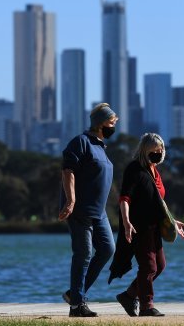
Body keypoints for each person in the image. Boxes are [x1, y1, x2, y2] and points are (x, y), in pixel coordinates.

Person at [109, 133, 184, 317]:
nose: (158, 153)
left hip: (154, 226)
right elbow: (124, 198)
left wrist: (171, 221)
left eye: (160, 150)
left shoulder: (154, 171)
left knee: (159, 266)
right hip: (139, 226)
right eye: (154, 151)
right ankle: (146, 306)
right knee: (148, 266)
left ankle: (128, 296)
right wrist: (126, 222)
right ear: (144, 150)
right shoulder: (134, 169)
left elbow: (158, 201)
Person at [58, 103, 118, 317]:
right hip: (80, 209)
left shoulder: (101, 146)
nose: (113, 127)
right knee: (83, 254)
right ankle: (77, 306)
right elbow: (68, 171)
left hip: (99, 212)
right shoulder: (81, 142)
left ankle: (74, 293)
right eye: (111, 123)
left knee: (107, 249)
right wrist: (71, 200)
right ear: (100, 123)